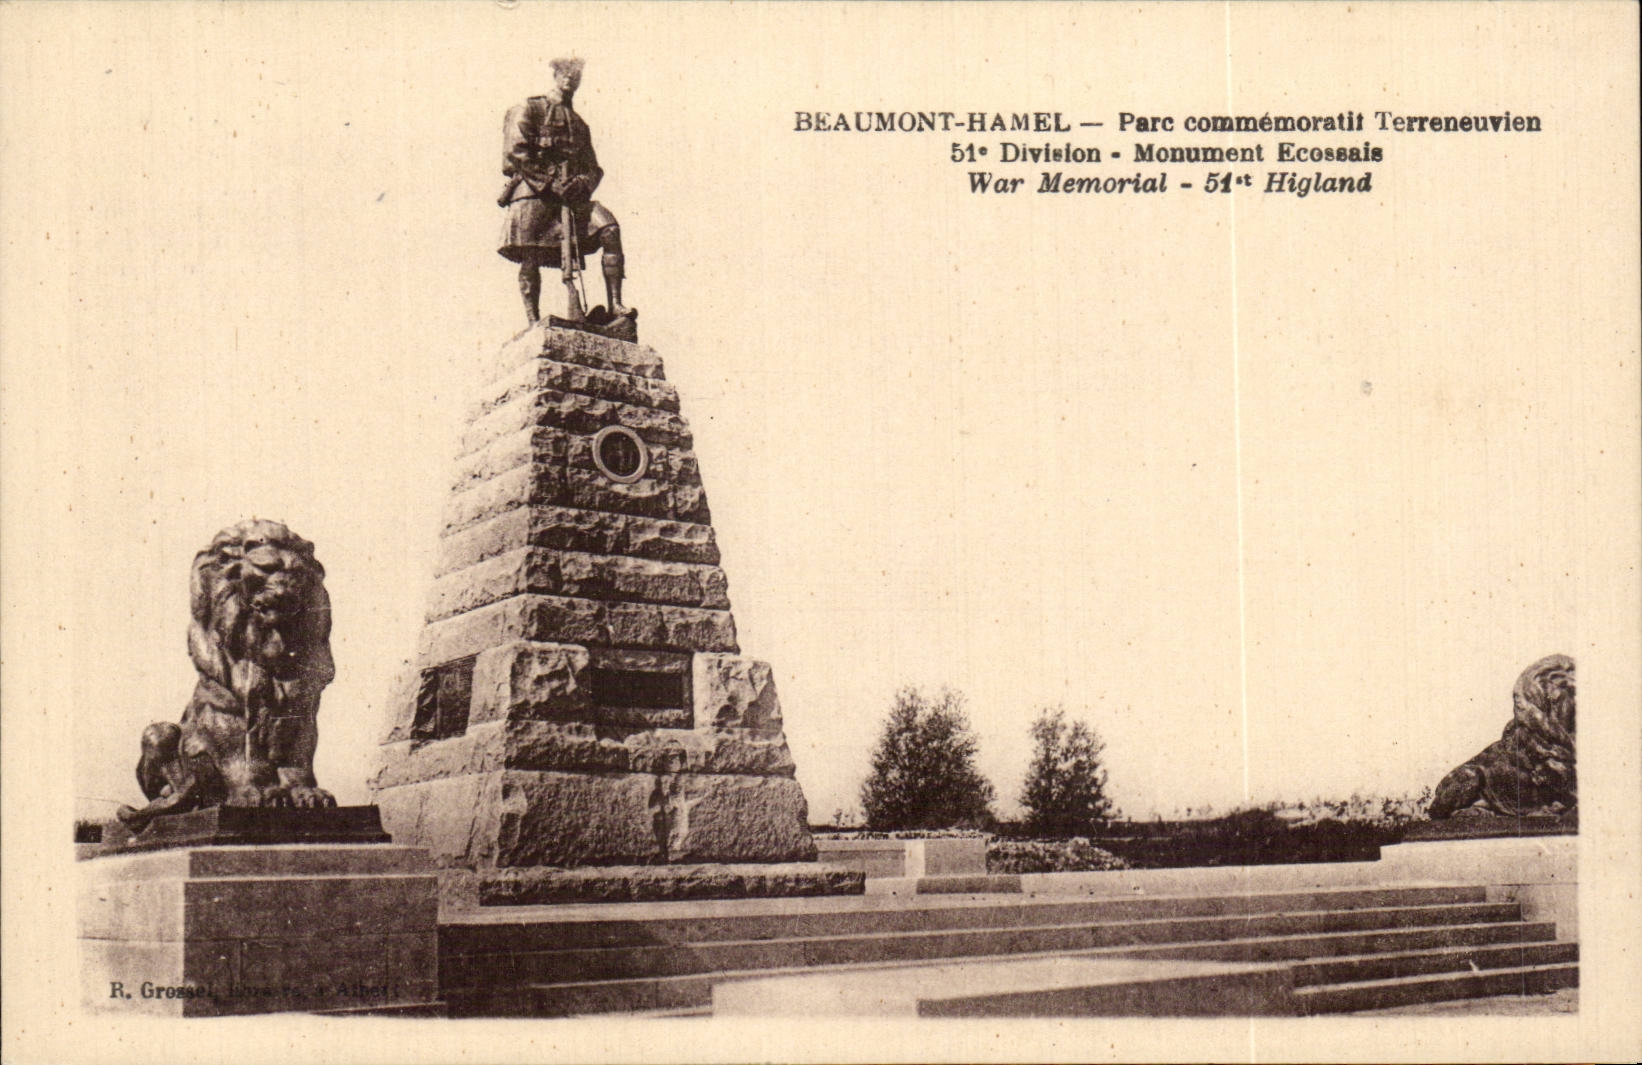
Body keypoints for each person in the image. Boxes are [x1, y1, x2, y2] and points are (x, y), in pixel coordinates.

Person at [497, 58, 631, 324]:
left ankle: (615, 305)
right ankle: (533, 321)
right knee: (530, 255)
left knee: (609, 229)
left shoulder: (580, 125)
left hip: (572, 197)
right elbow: (516, 151)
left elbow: (594, 168)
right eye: (565, 73)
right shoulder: (530, 108)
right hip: (535, 192)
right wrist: (550, 182)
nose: (570, 78)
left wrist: (583, 182)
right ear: (555, 75)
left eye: (576, 74)